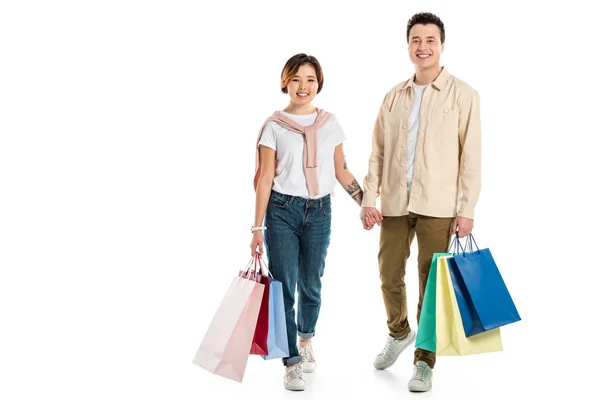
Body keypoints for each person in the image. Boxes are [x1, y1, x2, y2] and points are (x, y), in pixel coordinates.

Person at [360, 12, 482, 392]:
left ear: (441, 45)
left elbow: (471, 157)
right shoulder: (393, 96)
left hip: (439, 205)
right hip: (396, 202)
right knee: (388, 273)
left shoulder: (463, 95)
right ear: (408, 45)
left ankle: (424, 360)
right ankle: (399, 332)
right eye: (416, 39)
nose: (423, 46)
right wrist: (369, 197)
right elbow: (377, 153)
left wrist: (466, 209)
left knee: (431, 282)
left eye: (430, 40)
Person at [251, 53, 365, 391]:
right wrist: (257, 228)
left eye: (311, 79)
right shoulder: (274, 125)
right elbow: (265, 177)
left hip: (319, 211)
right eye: (297, 79)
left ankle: (306, 339)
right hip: (281, 211)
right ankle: (291, 362)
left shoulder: (330, 123)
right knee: (284, 287)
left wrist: (365, 202)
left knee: (311, 284)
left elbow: (341, 170)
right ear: (285, 81)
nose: (304, 86)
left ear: (319, 84)